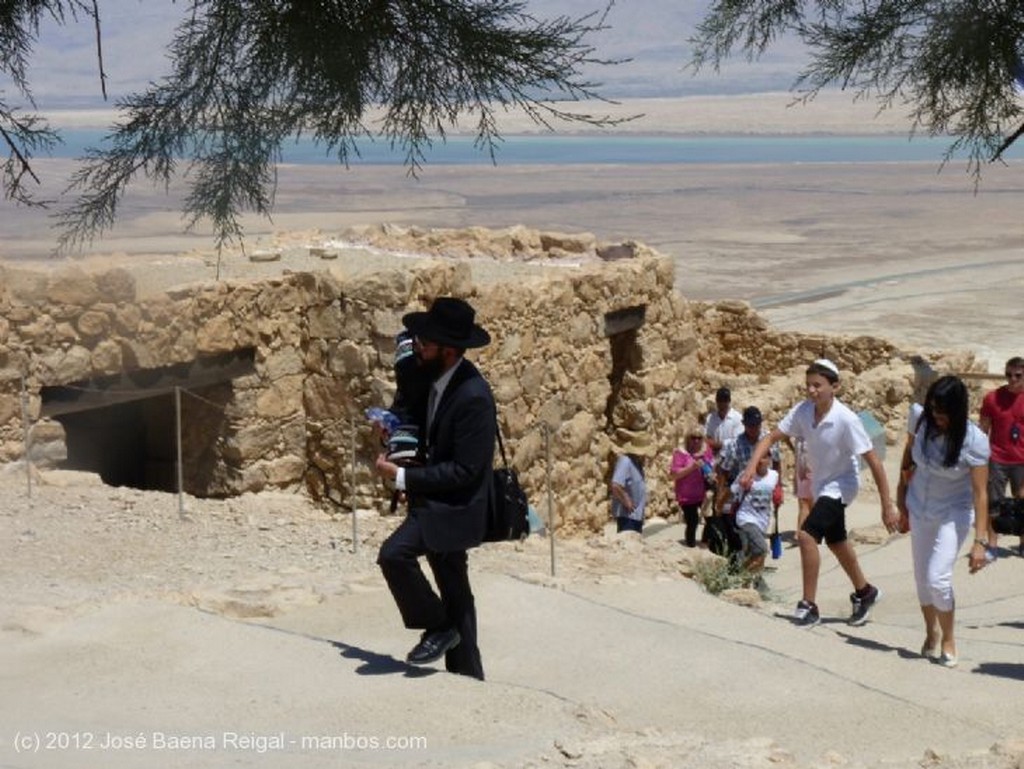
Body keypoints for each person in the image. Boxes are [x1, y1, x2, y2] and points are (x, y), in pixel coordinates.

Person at [374, 297, 496, 680]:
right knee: (456, 592)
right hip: (434, 499)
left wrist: (402, 478)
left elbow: (465, 470)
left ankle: (438, 628)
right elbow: (418, 424)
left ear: (448, 349)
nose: (418, 348)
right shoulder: (433, 378)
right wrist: (393, 432)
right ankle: (468, 676)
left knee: (394, 555)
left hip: (454, 508)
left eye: (425, 343)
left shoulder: (474, 397)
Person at [739, 359, 899, 627]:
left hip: (842, 485)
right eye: (808, 386)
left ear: (834, 386)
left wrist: (887, 505)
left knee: (807, 535)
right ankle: (865, 592)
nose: (812, 391)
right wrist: (750, 467)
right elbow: (769, 438)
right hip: (821, 484)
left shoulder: (846, 419)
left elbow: (874, 461)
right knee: (836, 542)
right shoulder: (803, 411)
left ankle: (809, 605)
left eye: (818, 385)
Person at [896, 375, 990, 668]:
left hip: (953, 511)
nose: (937, 416)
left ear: (958, 410)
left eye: (943, 411)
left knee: (938, 576)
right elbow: (908, 457)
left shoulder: (974, 441)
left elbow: (980, 493)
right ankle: (930, 632)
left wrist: (980, 541)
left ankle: (949, 638)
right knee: (922, 578)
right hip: (919, 506)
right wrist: (900, 497)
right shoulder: (920, 420)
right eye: (933, 409)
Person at [714, 406, 782, 554]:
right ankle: (746, 562)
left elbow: (777, 463)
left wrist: (778, 488)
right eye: (750, 425)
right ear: (744, 424)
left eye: (756, 425)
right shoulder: (735, 444)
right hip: (741, 493)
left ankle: (750, 563)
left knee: (759, 528)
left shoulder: (769, 441)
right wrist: (721, 494)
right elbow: (724, 471)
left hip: (762, 491)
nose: (754, 428)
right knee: (743, 534)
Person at [978, 356, 1024, 558]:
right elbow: (982, 431)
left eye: (1017, 375)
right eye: (1008, 375)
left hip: (1022, 460)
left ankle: (1022, 544)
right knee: (994, 503)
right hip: (997, 458)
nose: (1012, 379)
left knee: (1022, 503)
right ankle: (993, 545)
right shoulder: (992, 398)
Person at [730, 454, 778, 576]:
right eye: (759, 457)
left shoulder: (774, 475)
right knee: (761, 548)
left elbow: (775, 493)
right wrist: (742, 484)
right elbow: (733, 490)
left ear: (769, 459)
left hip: (763, 519)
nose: (761, 460)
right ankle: (741, 576)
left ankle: (750, 579)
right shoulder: (746, 474)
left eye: (764, 457)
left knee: (749, 551)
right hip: (746, 517)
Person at [670, 427, 713, 547]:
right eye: (693, 437)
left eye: (699, 438)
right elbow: (674, 474)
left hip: (703, 492)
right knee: (692, 521)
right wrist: (691, 468)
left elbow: (711, 465)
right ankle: (690, 545)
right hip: (686, 495)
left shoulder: (706, 451)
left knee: (711, 519)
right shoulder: (680, 453)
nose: (696, 441)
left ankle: (705, 542)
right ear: (688, 439)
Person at [610, 430, 655, 534]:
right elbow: (615, 485)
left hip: (637, 517)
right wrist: (627, 501)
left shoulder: (637, 464)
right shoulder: (625, 461)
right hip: (628, 517)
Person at [704, 386, 743, 461]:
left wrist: (717, 444)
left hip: (731, 458)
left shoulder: (737, 418)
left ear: (729, 401)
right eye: (720, 401)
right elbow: (706, 437)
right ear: (716, 401)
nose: (722, 403)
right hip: (713, 457)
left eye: (725, 401)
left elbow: (737, 442)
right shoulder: (710, 418)